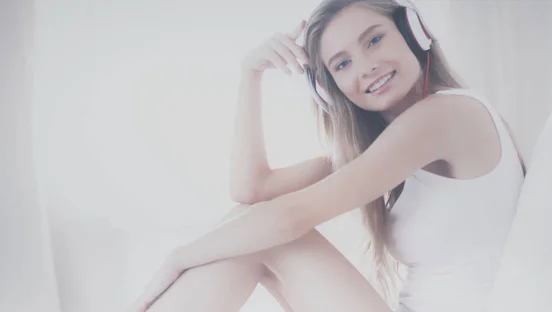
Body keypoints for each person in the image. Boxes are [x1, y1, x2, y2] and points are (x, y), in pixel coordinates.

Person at [126, 0, 526, 311]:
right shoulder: (385, 147)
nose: (367, 66)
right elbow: (252, 189)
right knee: (250, 228)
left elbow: (287, 217)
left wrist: (178, 258)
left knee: (267, 236)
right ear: (328, 88)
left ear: (413, 31)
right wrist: (251, 74)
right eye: (343, 63)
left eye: (374, 39)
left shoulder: (444, 115)